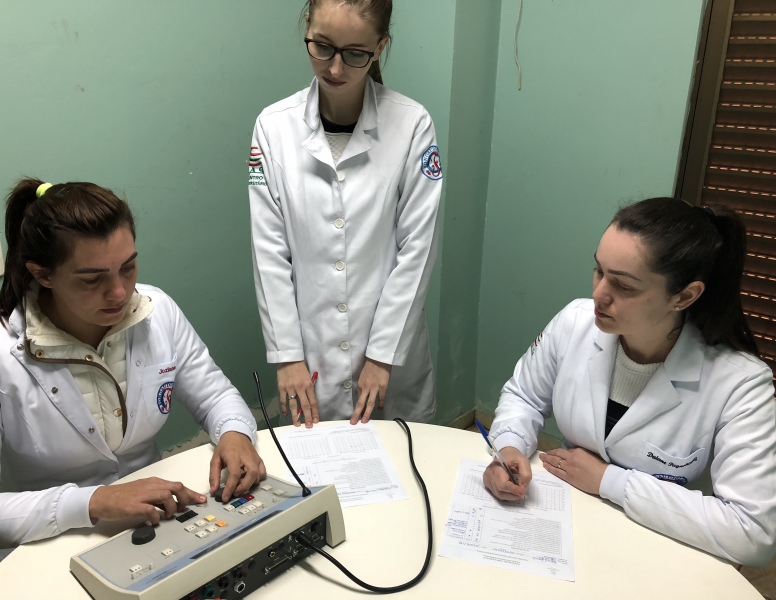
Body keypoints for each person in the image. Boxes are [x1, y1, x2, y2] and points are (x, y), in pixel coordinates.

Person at [0, 179, 266, 566]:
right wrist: (93, 501)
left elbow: (216, 396)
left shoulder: (157, 311)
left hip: (157, 522)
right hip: (43, 547)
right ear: (43, 275)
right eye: (92, 279)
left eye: (127, 268)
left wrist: (235, 433)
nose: (119, 292)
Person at [482, 198, 776, 567]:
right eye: (598, 271)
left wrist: (609, 481)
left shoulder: (741, 384)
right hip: (567, 521)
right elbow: (525, 396)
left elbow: (753, 532)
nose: (598, 294)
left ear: (684, 296)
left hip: (662, 549)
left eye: (623, 285)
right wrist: (509, 446)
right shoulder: (575, 323)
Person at [248, 0, 442, 427]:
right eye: (322, 47)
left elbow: (418, 250)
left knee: (403, 461)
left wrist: (382, 355)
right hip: (310, 355)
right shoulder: (273, 128)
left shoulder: (412, 125)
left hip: (391, 360)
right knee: (318, 465)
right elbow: (269, 252)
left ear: (380, 46)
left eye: (355, 54)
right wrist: (287, 355)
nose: (335, 68)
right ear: (307, 27)